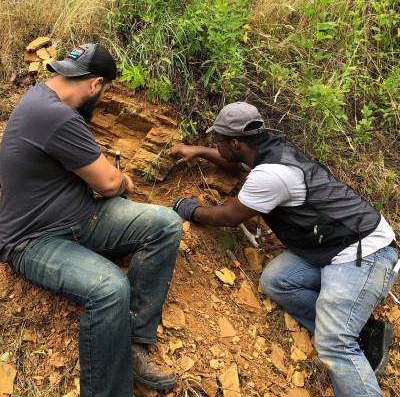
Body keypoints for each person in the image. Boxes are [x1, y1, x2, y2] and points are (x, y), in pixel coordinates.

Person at [169, 102, 398, 397]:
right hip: (330, 247)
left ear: (236, 142)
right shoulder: (271, 149)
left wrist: (190, 209)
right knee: (277, 280)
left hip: (363, 252)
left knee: (334, 344)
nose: (215, 145)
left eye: (218, 141)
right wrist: (198, 151)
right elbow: (236, 163)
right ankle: (361, 332)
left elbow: (227, 216)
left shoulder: (270, 176)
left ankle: (344, 337)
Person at [0, 43, 182, 397]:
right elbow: (111, 183)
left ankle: (132, 341)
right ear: (97, 84)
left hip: (81, 216)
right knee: (111, 288)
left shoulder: (42, 97)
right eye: (106, 90)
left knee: (166, 223)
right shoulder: (57, 116)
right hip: (34, 241)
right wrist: (125, 180)